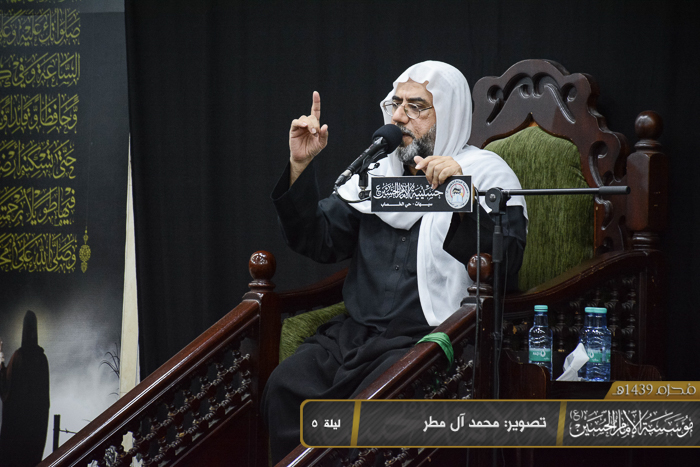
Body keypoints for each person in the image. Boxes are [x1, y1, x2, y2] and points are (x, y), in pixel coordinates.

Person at [262, 61, 527, 463]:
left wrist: (461, 196)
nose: (400, 116)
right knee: (285, 385)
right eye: (396, 104)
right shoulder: (377, 175)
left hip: (426, 338)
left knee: (368, 407)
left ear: (449, 115)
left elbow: (506, 264)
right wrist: (300, 167)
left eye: (416, 107)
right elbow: (319, 240)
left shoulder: (486, 174)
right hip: (356, 337)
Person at [0, 310, 50, 467]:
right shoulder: (42, 359)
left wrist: (0, 359)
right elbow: (44, 400)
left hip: (17, 427)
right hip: (36, 426)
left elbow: (5, 387)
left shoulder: (18, 357)